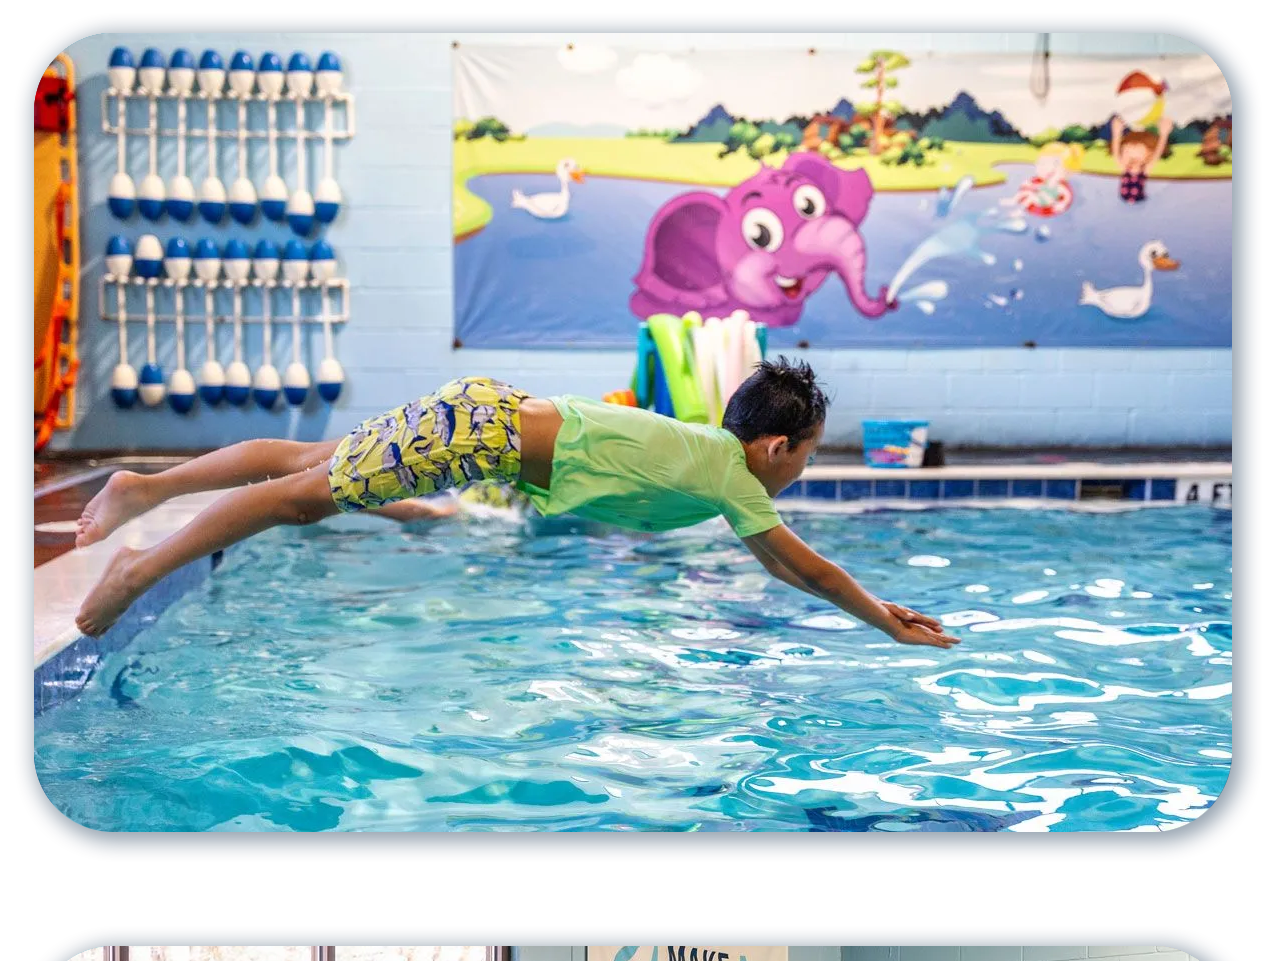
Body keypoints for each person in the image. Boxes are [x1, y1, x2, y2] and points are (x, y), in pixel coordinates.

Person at [71, 362, 957, 650]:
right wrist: (880, 618)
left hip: (484, 413)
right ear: (775, 449)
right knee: (301, 500)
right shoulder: (733, 473)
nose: (798, 473)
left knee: (310, 461)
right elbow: (801, 564)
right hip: (481, 436)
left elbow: (779, 559)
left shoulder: (711, 451)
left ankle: (145, 488)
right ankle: (140, 565)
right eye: (804, 458)